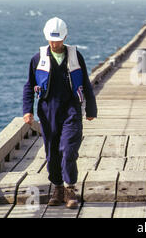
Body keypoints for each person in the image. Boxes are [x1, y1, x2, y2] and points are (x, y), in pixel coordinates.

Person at [22, 17, 97, 209]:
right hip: (48, 111)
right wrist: (27, 111)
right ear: (46, 38)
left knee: (69, 149)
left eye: (58, 40)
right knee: (52, 152)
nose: (55, 44)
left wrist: (91, 108)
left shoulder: (76, 56)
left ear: (65, 37)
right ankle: (57, 188)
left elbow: (86, 83)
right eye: (52, 40)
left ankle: (70, 189)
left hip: (71, 108)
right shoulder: (37, 59)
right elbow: (29, 86)